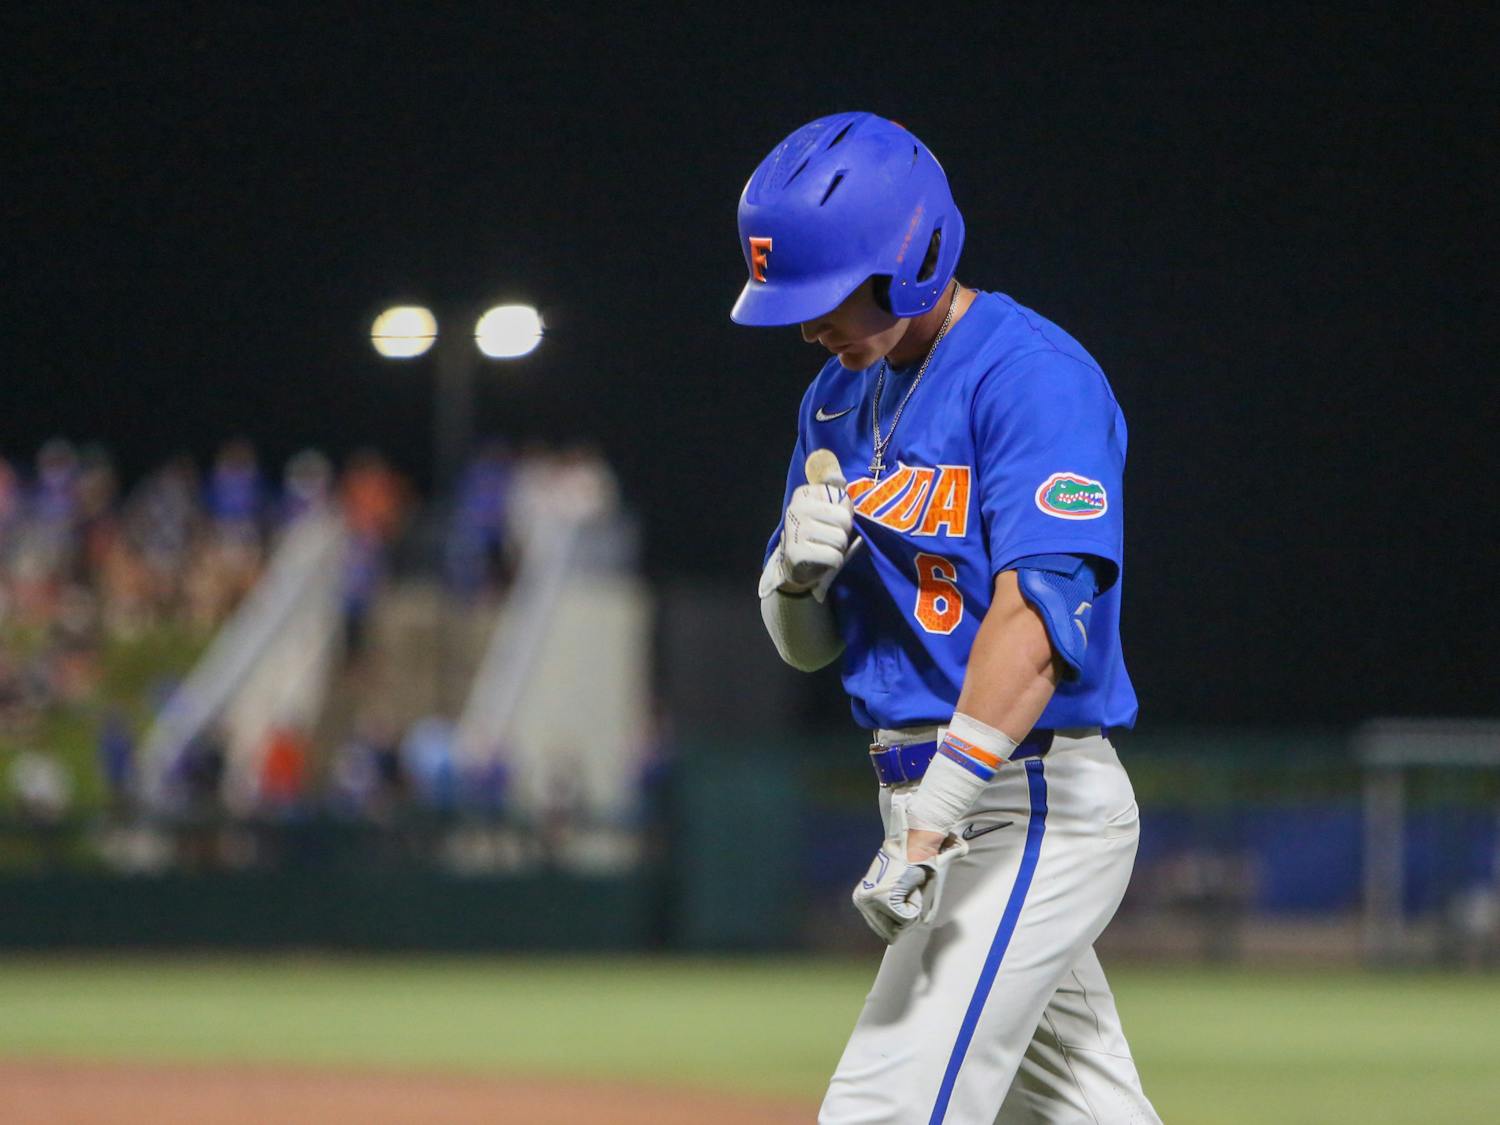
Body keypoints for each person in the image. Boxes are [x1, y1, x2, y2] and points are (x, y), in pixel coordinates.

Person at [735, 112, 1161, 1124]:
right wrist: (794, 580)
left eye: (827, 293)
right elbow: (809, 650)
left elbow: (1039, 620)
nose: (807, 327)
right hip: (940, 794)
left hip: (1024, 800)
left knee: (883, 1106)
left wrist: (934, 821)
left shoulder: (1033, 375)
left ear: (914, 260)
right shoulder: (833, 402)